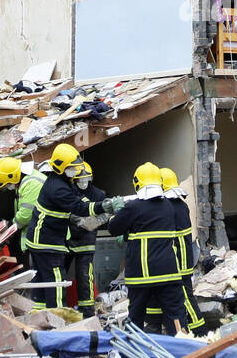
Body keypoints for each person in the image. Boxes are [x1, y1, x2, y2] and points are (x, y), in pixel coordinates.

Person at [22, 143, 109, 311]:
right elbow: (81, 208)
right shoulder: (58, 188)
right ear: (62, 167)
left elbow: (80, 199)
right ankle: (58, 320)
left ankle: (40, 317)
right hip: (47, 242)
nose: (76, 172)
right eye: (72, 168)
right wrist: (104, 207)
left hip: (44, 240)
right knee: (56, 282)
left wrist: (99, 205)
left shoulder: (61, 181)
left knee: (43, 283)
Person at [104, 162, 187, 335]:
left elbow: (113, 228)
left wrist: (118, 211)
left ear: (137, 183)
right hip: (168, 273)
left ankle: (133, 356)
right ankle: (184, 354)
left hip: (141, 276)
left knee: (136, 318)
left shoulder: (134, 207)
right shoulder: (169, 207)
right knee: (176, 315)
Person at [160, 166, 203, 332]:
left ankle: (198, 330)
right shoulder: (181, 204)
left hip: (178, 261)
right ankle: (188, 327)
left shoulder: (169, 207)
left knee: (185, 295)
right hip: (184, 257)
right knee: (184, 295)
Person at [66, 161, 106, 318]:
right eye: (79, 179)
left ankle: (87, 310)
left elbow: (106, 214)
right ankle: (60, 307)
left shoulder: (98, 195)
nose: (83, 182)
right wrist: (79, 221)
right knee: (60, 274)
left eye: (86, 179)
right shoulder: (68, 192)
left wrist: (94, 223)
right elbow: (63, 211)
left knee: (84, 275)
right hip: (68, 238)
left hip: (87, 240)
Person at [0, 156, 45, 265]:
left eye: (8, 184)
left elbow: (25, 215)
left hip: (44, 239)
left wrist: (9, 227)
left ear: (14, 176)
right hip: (40, 238)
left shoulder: (31, 183)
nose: (9, 187)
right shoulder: (26, 181)